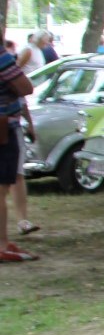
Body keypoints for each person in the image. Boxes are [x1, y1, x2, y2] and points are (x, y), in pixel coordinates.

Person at [1, 38, 38, 261]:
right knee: (1, 189)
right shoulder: (2, 58)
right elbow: (26, 87)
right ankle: (2, 245)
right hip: (4, 128)